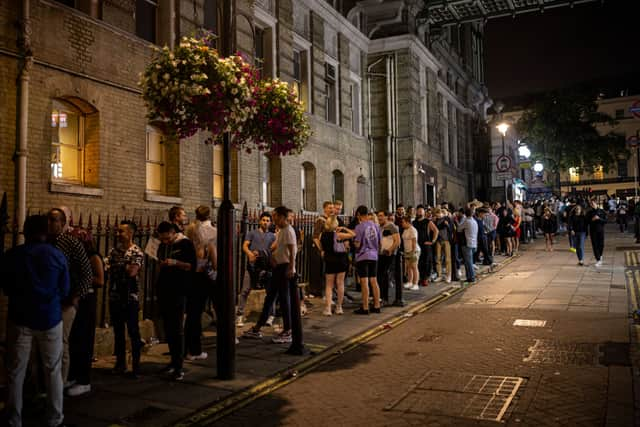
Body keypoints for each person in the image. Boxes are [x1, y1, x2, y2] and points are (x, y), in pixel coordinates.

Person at [2, 215, 70, 427]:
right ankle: (55, 418)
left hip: (20, 318)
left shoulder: (13, 255)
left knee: (16, 371)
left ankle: (14, 419)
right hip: (49, 317)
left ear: (24, 231)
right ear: (46, 231)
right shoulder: (57, 256)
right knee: (53, 370)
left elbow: (6, 287)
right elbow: (65, 289)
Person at [47, 207, 93, 387]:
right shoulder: (45, 243)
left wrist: (76, 296)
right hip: (49, 301)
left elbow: (86, 273)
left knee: (62, 341)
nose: (50, 224)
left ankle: (62, 380)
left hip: (66, 300)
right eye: (48, 220)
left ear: (63, 223)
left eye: (54, 220)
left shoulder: (70, 243)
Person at [244, 206, 298, 345]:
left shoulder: (288, 231)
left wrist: (291, 267)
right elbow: (274, 246)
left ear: (281, 217)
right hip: (279, 268)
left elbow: (293, 251)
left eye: (274, 216)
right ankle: (257, 328)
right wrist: (267, 254)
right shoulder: (281, 231)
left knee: (284, 300)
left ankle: (288, 331)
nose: (273, 219)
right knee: (270, 298)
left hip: (285, 268)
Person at [156, 221, 196, 381]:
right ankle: (172, 361)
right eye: (162, 239)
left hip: (179, 290)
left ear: (173, 232)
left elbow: (191, 265)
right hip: (165, 289)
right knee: (168, 328)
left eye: (167, 238)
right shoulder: (163, 245)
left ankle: (179, 367)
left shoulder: (185, 244)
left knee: (177, 328)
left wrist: (175, 263)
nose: (165, 241)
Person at [67, 227, 103, 396]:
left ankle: (84, 380)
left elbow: (100, 280)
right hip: (75, 299)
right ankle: (73, 375)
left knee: (84, 339)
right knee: (73, 339)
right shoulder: (73, 257)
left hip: (87, 301)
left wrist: (81, 279)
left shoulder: (93, 257)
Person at [107, 220, 145, 377]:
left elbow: (132, 272)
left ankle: (135, 366)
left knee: (133, 331)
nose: (118, 234)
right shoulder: (113, 251)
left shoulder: (137, 251)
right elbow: (107, 268)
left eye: (121, 231)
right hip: (115, 295)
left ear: (130, 233)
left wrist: (117, 265)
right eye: (117, 231)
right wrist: (122, 265)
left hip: (130, 297)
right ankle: (120, 363)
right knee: (118, 332)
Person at [183, 206, 217, 361]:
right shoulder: (213, 232)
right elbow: (213, 256)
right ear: (209, 215)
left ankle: (189, 349)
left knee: (192, 314)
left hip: (191, 273)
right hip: (206, 274)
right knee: (218, 306)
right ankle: (196, 350)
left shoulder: (190, 229)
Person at [237, 212, 275, 326]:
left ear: (270, 222)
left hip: (266, 267)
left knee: (270, 292)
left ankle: (271, 315)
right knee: (244, 291)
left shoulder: (273, 236)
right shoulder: (252, 233)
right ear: (260, 221)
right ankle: (239, 315)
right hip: (252, 267)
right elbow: (245, 245)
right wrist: (249, 254)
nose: (265, 222)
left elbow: (273, 250)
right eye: (263, 220)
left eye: (268, 220)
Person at [320, 216, 355, 315]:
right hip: (341, 260)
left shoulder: (322, 235)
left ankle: (328, 309)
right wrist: (344, 228)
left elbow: (322, 248)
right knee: (340, 284)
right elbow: (353, 234)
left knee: (329, 285)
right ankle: (339, 307)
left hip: (329, 261)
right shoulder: (339, 235)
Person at [353, 205, 382, 314]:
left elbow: (357, 244)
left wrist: (353, 242)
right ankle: (377, 305)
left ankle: (365, 307)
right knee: (374, 281)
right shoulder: (376, 226)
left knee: (364, 282)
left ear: (359, 215)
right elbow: (380, 243)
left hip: (363, 256)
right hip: (374, 255)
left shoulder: (359, 227)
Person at [310, 201, 334, 297]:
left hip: (328, 250)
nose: (331, 210)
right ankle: (316, 291)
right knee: (318, 271)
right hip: (319, 249)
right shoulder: (320, 220)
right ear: (324, 208)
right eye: (329, 208)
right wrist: (321, 249)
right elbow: (315, 236)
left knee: (326, 272)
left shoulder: (331, 220)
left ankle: (325, 291)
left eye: (332, 208)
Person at [376, 211, 400, 304]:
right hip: (380, 254)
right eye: (378, 216)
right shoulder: (379, 227)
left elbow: (397, 241)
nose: (379, 218)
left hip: (388, 254)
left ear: (386, 217)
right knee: (380, 275)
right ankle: (380, 297)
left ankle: (384, 298)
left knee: (384, 275)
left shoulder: (391, 226)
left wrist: (390, 250)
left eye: (381, 216)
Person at [413, 205, 438, 287]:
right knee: (418, 263)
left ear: (424, 212)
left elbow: (435, 231)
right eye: (418, 211)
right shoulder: (414, 222)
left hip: (426, 245)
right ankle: (419, 278)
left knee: (426, 263)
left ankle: (425, 279)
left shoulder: (428, 221)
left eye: (421, 211)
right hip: (416, 244)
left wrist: (432, 241)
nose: (420, 212)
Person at [457, 208, 478, 283]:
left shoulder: (466, 221)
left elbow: (459, 229)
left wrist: (457, 222)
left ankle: (471, 277)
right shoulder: (474, 221)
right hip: (474, 243)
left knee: (468, 262)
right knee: (469, 261)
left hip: (467, 244)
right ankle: (469, 277)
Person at [433, 208, 453, 283]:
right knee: (438, 258)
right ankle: (439, 275)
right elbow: (435, 229)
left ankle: (448, 275)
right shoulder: (435, 221)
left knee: (447, 259)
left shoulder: (447, 219)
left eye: (439, 213)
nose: (438, 214)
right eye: (436, 213)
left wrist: (447, 225)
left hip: (446, 240)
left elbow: (451, 229)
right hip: (438, 241)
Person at [401, 215, 420, 290]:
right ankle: (410, 282)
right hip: (407, 250)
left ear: (408, 222)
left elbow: (414, 242)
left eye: (403, 222)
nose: (402, 224)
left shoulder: (413, 230)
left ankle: (416, 284)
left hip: (414, 250)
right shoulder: (405, 229)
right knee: (408, 267)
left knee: (414, 267)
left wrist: (413, 252)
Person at [587, 199, 607, 266]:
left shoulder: (602, 211)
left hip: (600, 230)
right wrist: (592, 219)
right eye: (591, 204)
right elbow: (587, 222)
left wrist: (599, 218)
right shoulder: (589, 212)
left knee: (601, 244)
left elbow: (605, 221)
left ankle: (600, 255)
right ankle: (598, 259)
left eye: (593, 203)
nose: (592, 205)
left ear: (596, 203)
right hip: (593, 231)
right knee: (595, 245)